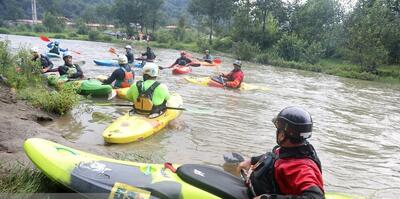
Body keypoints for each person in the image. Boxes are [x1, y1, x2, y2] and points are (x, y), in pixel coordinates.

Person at [237, 106, 324, 199]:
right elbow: (275, 157)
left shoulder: (301, 169)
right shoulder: (294, 148)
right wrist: (252, 161)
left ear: (282, 135)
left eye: (278, 129)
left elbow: (316, 197)